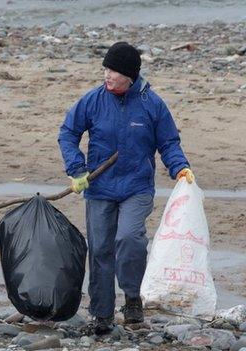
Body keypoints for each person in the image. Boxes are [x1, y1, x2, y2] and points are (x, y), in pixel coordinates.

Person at [58, 42, 194, 335]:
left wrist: (179, 167)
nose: (107, 75)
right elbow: (68, 133)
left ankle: (132, 298)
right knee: (100, 250)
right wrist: (77, 169)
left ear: (129, 76)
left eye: (114, 71)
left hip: (137, 186)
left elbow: (168, 142)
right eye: (105, 69)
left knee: (129, 238)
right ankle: (102, 314)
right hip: (99, 187)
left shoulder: (152, 104)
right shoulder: (92, 100)